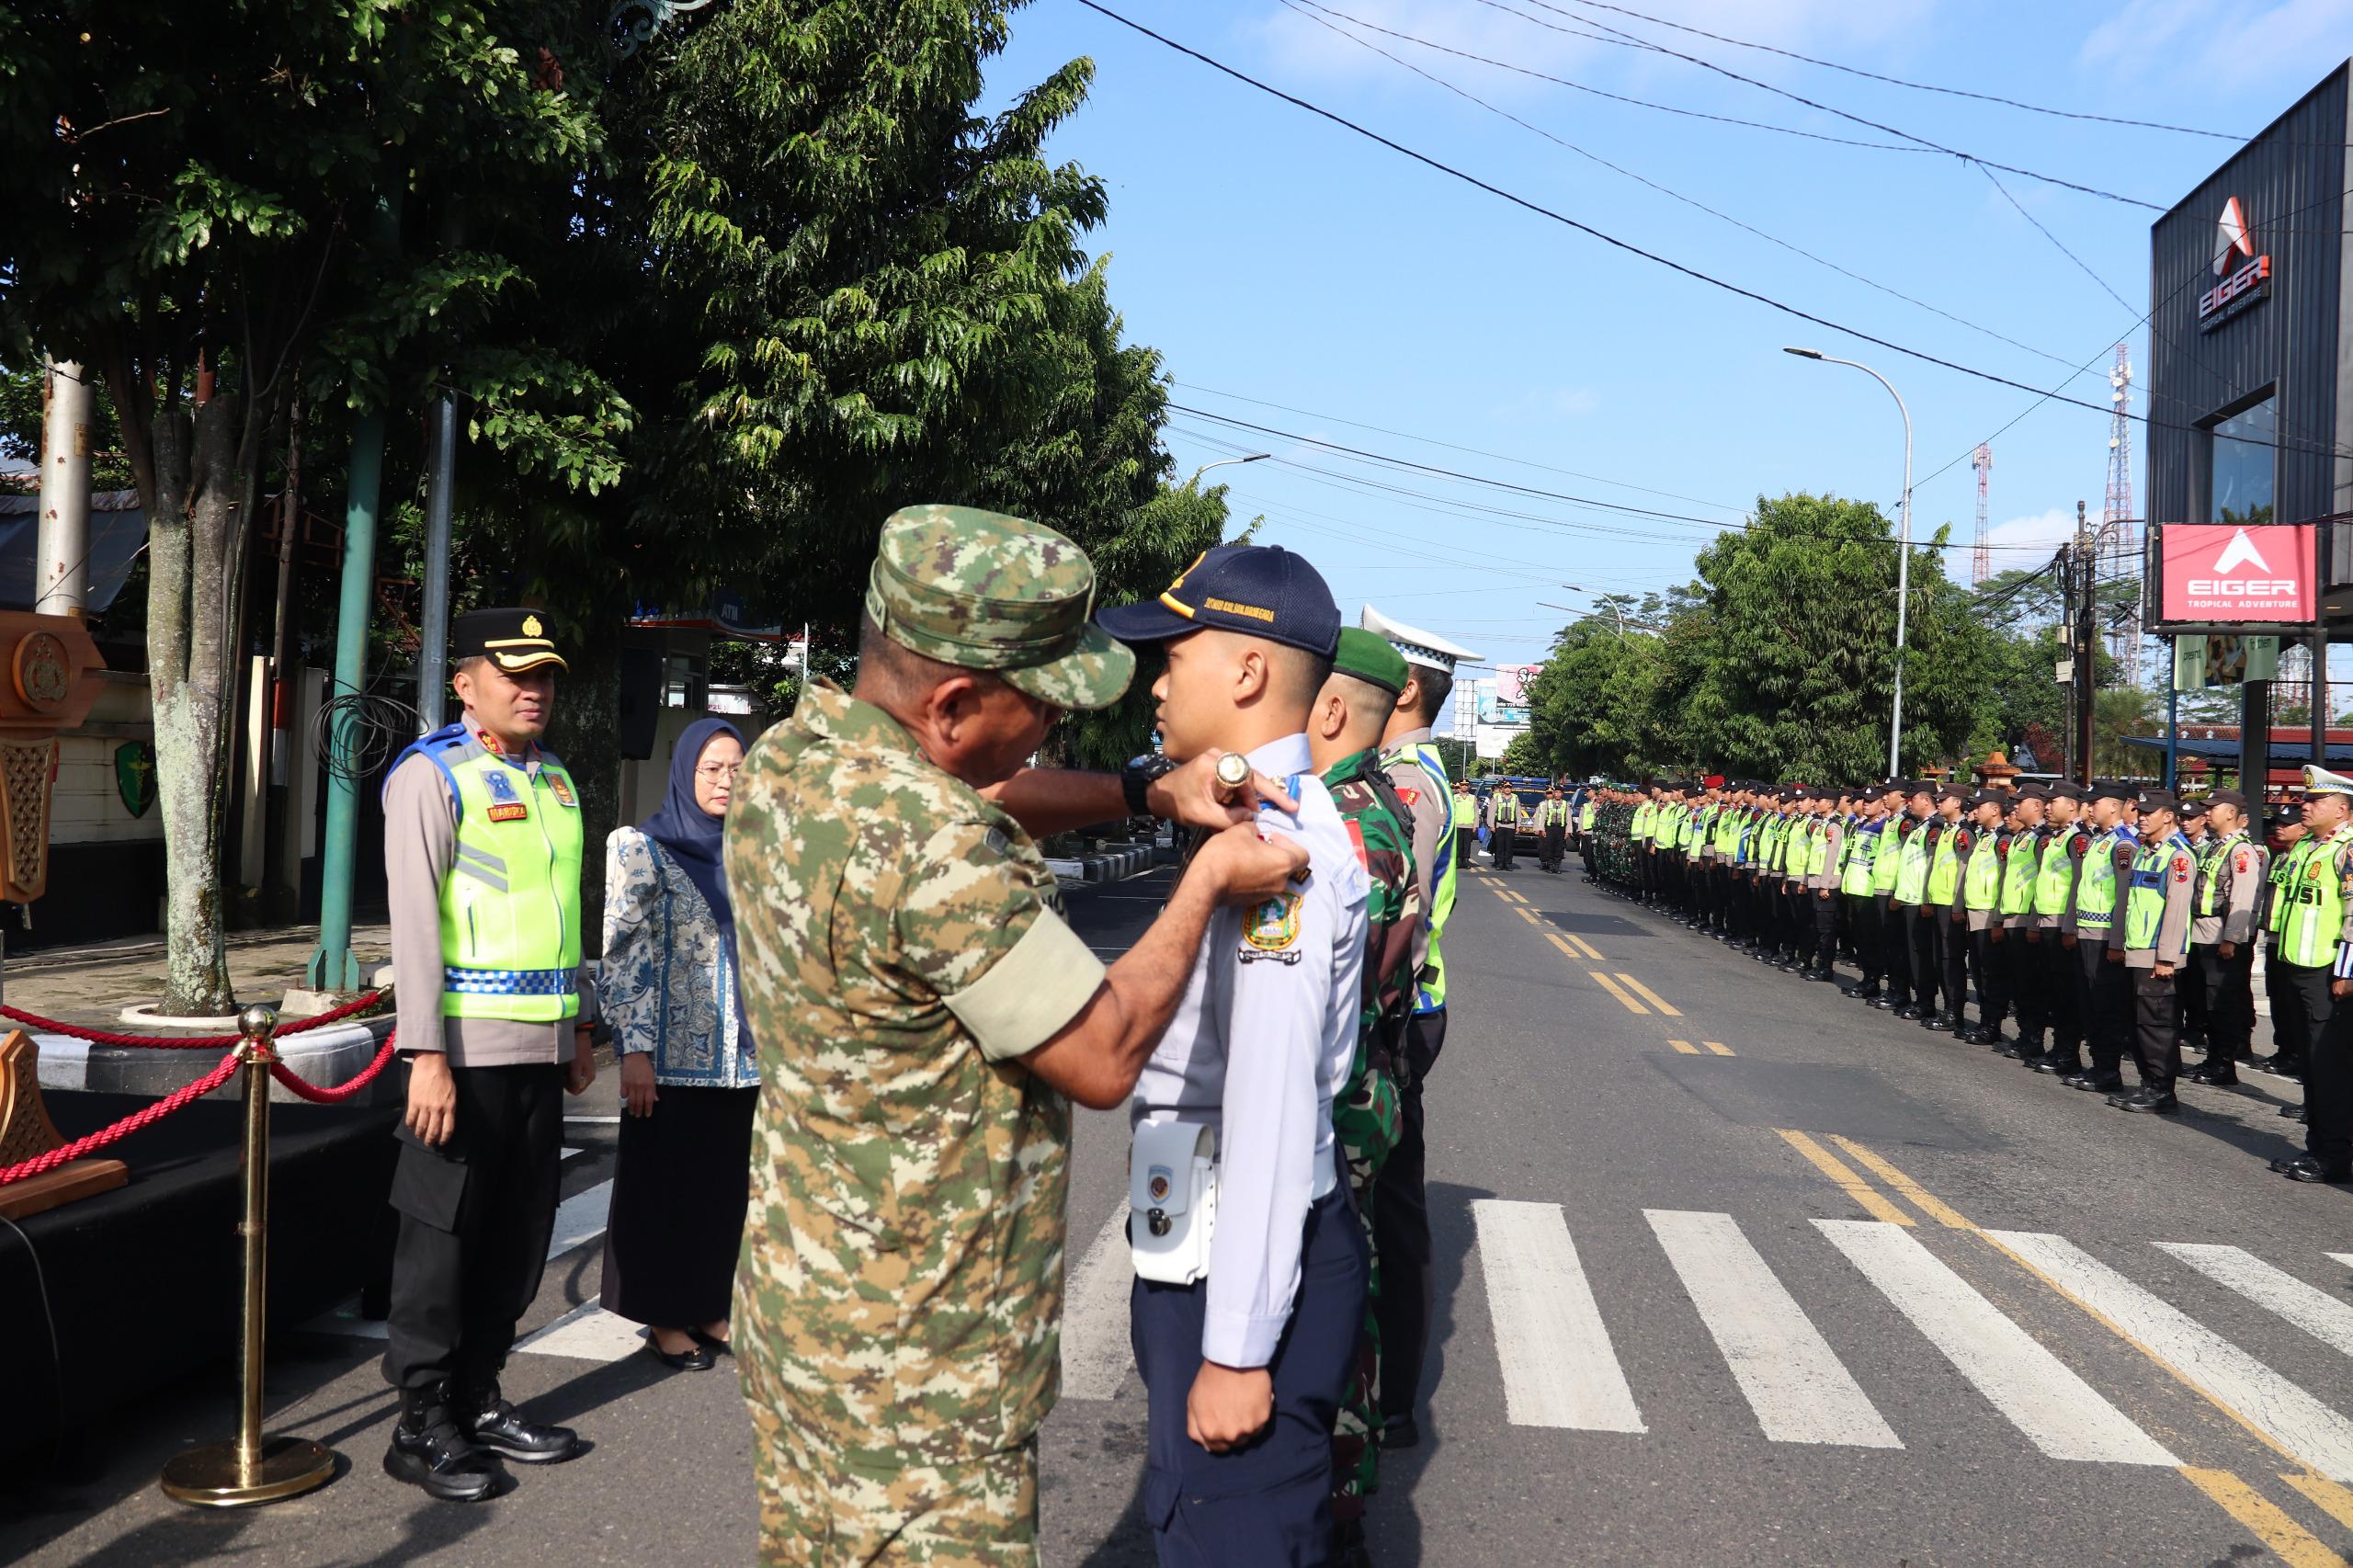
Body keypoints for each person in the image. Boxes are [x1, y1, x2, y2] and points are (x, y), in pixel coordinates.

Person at [725, 507, 1312, 1566]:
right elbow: (1102, 1052)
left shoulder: (794, 760)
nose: (1051, 725)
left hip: (806, 1319)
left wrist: (1142, 792)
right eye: (1040, 704)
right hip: (929, 1370)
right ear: (951, 703)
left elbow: (980, 792)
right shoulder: (937, 850)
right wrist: (1209, 879)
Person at [1096, 544, 1370, 1565]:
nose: (1156, 679)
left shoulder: (1282, 850)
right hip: (1195, 1236)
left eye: (1174, 654)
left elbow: (1268, 1108)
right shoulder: (1243, 818)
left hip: (1237, 1258)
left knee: (1228, 1531)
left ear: (1249, 672)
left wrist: (1238, 1347)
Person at [380, 608, 599, 1503]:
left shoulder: (554, 779)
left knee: (517, 1236)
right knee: (441, 1246)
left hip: (543, 1054)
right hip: (461, 1059)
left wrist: (581, 1023)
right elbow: (416, 925)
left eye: (544, 675)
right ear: (465, 682)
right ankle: (420, 1422)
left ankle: (479, 1393)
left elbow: (564, 907)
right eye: (514, 674)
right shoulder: (432, 777)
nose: (533, 689)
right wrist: (423, 1052)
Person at [1303, 629, 1420, 1566]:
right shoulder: (1375, 801)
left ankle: (1334, 1498)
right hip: (1365, 1086)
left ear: (1331, 709)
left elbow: (1338, 989)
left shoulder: (1346, 817)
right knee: (1354, 1284)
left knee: (1335, 1295)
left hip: (1339, 1095)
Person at [597, 717, 757, 1373]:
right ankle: (664, 1316)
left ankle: (711, 1304)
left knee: (725, 1191)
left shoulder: (754, 850)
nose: (725, 781)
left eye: (737, 770)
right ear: (686, 772)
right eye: (712, 769)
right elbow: (622, 950)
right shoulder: (641, 846)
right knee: (665, 1189)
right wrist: (632, 1050)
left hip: (743, 1060)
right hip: (668, 1059)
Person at [1362, 605, 1478, 1452]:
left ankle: (1392, 1396)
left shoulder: (1406, 782)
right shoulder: (1406, 771)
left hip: (1400, 1009)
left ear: (1405, 689)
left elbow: (1394, 913)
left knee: (1390, 1209)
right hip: (1407, 1005)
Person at [2270, 767, 2353, 1181]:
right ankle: (2317, 1146)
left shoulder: (2347, 849)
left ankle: (2334, 1155)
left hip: (2328, 974)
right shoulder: (2307, 847)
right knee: (2309, 1064)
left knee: (2330, 1068)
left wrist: (2347, 972)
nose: (2305, 806)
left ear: (2341, 810)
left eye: (2314, 802)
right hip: (2298, 966)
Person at [2113, 790, 2195, 1114]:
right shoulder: (2147, 852)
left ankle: (2162, 1090)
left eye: (2150, 811)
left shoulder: (2178, 856)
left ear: (2169, 816)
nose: (2142, 816)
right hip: (2138, 950)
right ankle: (2149, 1084)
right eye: (2139, 811)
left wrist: (2166, 957)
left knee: (2157, 1025)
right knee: (2139, 1023)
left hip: (2157, 955)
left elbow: (2176, 910)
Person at [2061, 781, 2140, 1096]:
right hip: (2087, 931)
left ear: (2113, 806)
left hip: (2106, 935)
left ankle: (2108, 1071)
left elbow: (2123, 896)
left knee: (2105, 1006)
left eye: (2095, 802)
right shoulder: (2097, 841)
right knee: (2089, 1004)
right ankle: (2098, 1066)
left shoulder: (2123, 844)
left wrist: (2117, 941)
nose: (2089, 807)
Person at [2187, 790, 2265, 1087]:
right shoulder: (2215, 847)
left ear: (2231, 813)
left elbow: (2242, 895)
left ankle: (2223, 1064)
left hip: (2221, 936)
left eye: (2212, 808)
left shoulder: (2240, 850)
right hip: (2203, 933)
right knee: (2206, 1002)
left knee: (2222, 1005)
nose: (2206, 813)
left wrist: (2231, 938)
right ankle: (2212, 1059)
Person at [1487, 780, 1523, 869]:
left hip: (1511, 825)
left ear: (1511, 788)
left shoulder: (1515, 798)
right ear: (1502, 788)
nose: (1507, 789)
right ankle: (1499, 863)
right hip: (1500, 825)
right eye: (1506, 787)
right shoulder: (1497, 797)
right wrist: (1491, 825)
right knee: (1499, 846)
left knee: (1509, 846)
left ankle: (1507, 863)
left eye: (1509, 787)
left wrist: (1518, 825)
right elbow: (1491, 812)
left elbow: (1518, 812)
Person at [1540, 787, 1570, 873]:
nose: (1557, 794)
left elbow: (1568, 818)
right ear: (1553, 793)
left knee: (1559, 847)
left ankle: (1557, 865)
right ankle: (1550, 865)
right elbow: (1543, 817)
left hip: (1561, 828)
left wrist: (1568, 831)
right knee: (1549, 847)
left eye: (1559, 792)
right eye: (1556, 792)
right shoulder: (1548, 803)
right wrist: (1542, 829)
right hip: (1550, 828)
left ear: (1562, 794)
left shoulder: (1565, 804)